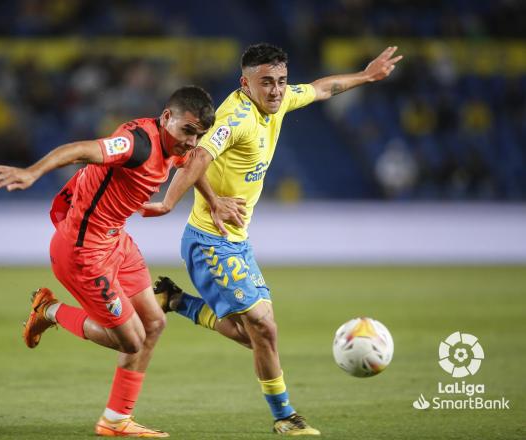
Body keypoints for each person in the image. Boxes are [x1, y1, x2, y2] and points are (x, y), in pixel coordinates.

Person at [141, 43, 403, 436]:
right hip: (209, 242)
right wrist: (168, 203)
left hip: (236, 241)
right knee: (264, 329)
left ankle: (176, 301)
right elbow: (196, 158)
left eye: (280, 81)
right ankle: (285, 417)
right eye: (267, 83)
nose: (277, 90)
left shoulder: (278, 102)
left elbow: (321, 88)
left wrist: (366, 76)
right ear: (245, 83)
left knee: (255, 336)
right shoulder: (235, 117)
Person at [0, 86, 216, 438]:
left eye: (198, 134)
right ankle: (48, 310)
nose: (191, 141)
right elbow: (79, 150)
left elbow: (197, 161)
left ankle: (115, 420)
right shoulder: (136, 144)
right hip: (83, 254)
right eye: (187, 131)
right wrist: (33, 172)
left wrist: (212, 203)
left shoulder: (180, 146)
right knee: (131, 340)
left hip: (116, 242)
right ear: (167, 118)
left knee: (154, 324)